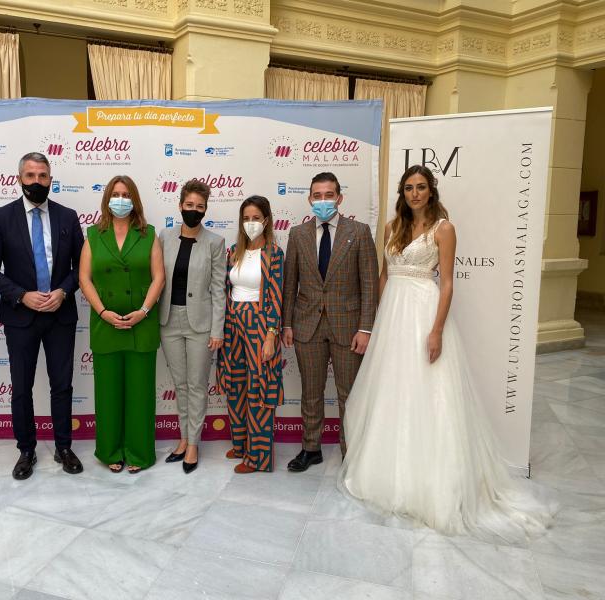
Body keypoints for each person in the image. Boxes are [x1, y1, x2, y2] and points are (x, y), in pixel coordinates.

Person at [339, 165, 551, 540]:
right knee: (392, 390)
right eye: (408, 187)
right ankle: (386, 469)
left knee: (426, 390)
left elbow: (448, 283)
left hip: (423, 310)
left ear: (431, 191)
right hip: (393, 315)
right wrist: (378, 317)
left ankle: (429, 480)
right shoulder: (391, 228)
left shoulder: (444, 229)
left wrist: (436, 329)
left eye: (421, 187)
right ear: (402, 193)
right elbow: (385, 276)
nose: (414, 193)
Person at [0, 152, 85, 480]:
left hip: (59, 314)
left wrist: (63, 291)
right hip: (20, 316)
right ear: (19, 179)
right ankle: (26, 450)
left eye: (42, 176)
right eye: (30, 176)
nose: (36, 181)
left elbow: (82, 267)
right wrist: (20, 295)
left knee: (62, 386)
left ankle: (63, 447)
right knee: (21, 388)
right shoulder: (2, 217)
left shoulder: (68, 217)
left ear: (50, 180)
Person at [282, 172, 378, 472]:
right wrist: (287, 324)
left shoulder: (359, 232)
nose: (323, 200)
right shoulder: (298, 234)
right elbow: (290, 284)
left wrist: (365, 328)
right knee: (311, 392)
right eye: (317, 195)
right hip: (307, 325)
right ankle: (311, 448)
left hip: (348, 327)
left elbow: (369, 285)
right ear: (310, 199)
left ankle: (352, 454)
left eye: (329, 195)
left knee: (349, 394)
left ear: (339, 198)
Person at [78, 175, 164, 474]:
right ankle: (110, 451)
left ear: (135, 200)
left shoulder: (148, 234)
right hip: (106, 325)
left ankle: (139, 453)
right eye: (116, 194)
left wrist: (144, 310)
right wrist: (103, 312)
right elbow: (84, 278)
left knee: (140, 394)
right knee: (108, 394)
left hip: (142, 324)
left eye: (126, 195)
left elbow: (159, 277)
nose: (121, 200)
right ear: (107, 199)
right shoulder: (93, 234)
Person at [159, 179, 226, 474]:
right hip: (168, 320)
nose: (194, 210)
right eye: (189, 205)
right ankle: (183, 438)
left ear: (205, 209)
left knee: (197, 385)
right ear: (180, 205)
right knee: (181, 384)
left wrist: (217, 330)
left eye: (200, 206)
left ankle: (194, 444)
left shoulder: (215, 242)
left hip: (200, 323)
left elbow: (219, 290)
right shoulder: (164, 237)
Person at [217, 196, 283, 473]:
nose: (251, 223)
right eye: (246, 218)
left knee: (258, 388)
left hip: (259, 322)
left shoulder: (274, 253)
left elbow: (277, 295)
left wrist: (271, 334)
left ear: (266, 220)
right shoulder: (234, 251)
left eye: (256, 218)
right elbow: (224, 288)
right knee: (236, 385)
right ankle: (241, 444)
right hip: (232, 321)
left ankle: (258, 457)